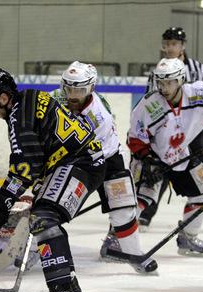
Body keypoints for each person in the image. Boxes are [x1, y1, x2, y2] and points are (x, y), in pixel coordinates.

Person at [0, 68, 106, 292]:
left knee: (43, 217)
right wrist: (6, 195)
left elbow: (27, 165)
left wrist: (3, 197)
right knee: (44, 215)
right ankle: (68, 282)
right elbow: (35, 158)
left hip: (80, 163)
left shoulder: (18, 116)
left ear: (2, 98)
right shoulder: (29, 100)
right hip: (76, 162)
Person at [51, 61, 157, 274]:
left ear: (91, 88)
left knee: (124, 209)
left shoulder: (98, 115)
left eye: (79, 89)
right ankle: (37, 249)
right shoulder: (53, 99)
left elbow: (80, 149)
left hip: (107, 160)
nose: (72, 94)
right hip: (75, 158)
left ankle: (134, 254)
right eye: (69, 88)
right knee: (52, 207)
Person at [139, 26, 203, 233]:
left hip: (195, 127)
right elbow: (150, 103)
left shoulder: (199, 68)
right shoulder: (158, 71)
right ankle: (145, 214)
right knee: (163, 169)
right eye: (167, 44)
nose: (170, 48)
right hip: (169, 129)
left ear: (183, 46)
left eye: (174, 44)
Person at [129, 58, 203, 257]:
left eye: (168, 82)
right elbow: (135, 139)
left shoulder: (198, 94)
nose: (163, 87)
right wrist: (147, 161)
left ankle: (188, 237)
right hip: (149, 157)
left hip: (180, 155)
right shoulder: (148, 105)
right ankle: (115, 239)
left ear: (181, 80)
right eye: (160, 82)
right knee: (143, 197)